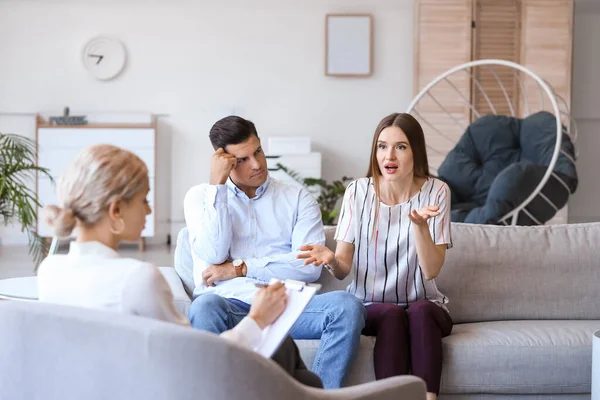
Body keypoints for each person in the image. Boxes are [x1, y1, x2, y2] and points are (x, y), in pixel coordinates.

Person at [37, 143, 320, 387]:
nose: (149, 210)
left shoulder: (49, 272)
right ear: (116, 210)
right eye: (143, 200)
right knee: (295, 367)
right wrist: (257, 319)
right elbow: (197, 363)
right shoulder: (137, 278)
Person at [184, 115, 366, 389]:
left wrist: (239, 268)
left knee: (346, 307)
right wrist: (218, 187)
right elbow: (212, 254)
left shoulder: (297, 198)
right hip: (229, 304)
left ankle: (319, 398)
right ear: (224, 161)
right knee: (204, 307)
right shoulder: (201, 197)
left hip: (286, 304)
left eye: (257, 151)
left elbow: (308, 266)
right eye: (242, 160)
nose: (256, 164)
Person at [298, 113, 453, 400]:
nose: (389, 156)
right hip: (371, 305)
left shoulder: (437, 191)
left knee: (419, 310)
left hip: (426, 305)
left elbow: (431, 271)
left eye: (401, 147)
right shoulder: (358, 192)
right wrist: (331, 258)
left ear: (415, 150)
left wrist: (419, 226)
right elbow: (343, 268)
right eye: (382, 146)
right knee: (392, 315)